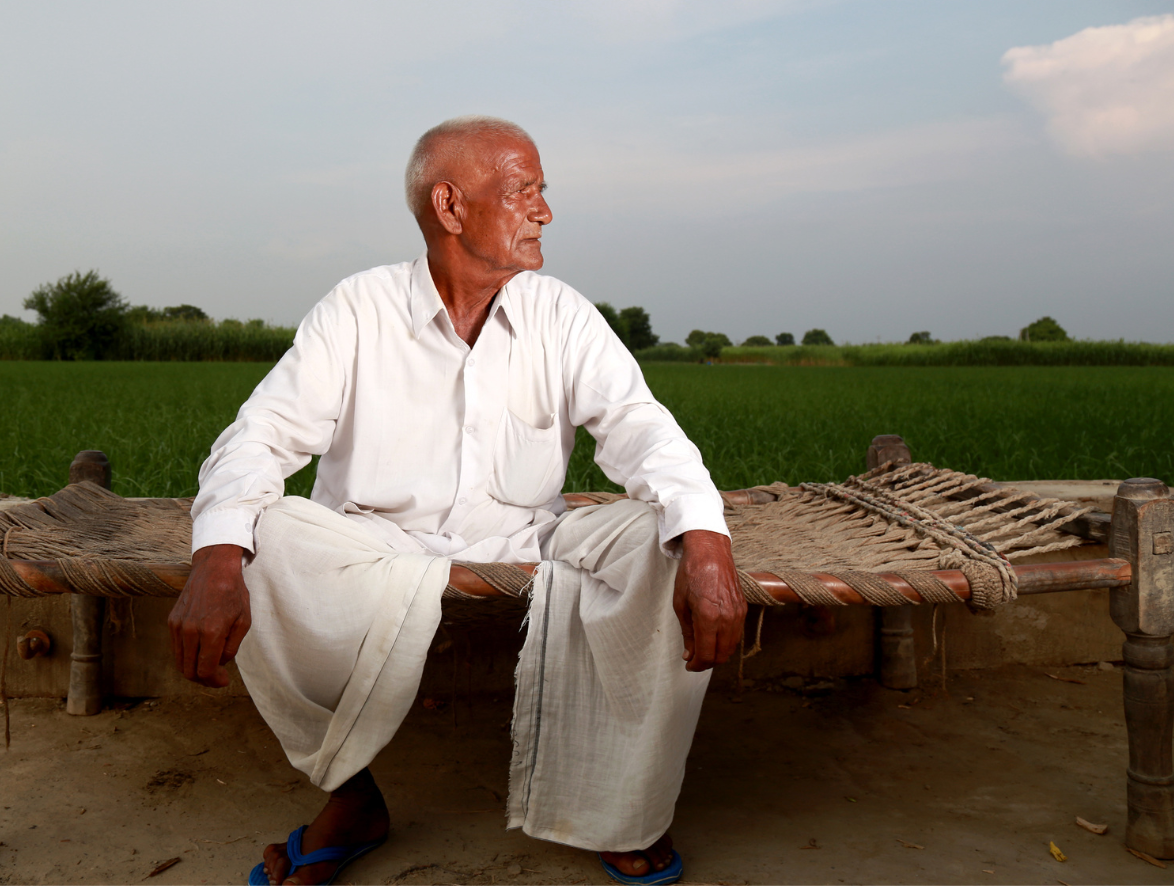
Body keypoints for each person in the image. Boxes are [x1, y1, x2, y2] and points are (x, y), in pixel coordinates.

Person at [169, 116, 746, 886]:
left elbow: (644, 430)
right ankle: (350, 796)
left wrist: (707, 543)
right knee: (258, 536)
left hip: (527, 538)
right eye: (524, 192)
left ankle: (620, 808)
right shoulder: (358, 308)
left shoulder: (560, 314)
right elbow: (260, 437)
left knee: (661, 535)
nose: (545, 212)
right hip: (374, 550)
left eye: (543, 193)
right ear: (450, 207)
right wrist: (216, 556)